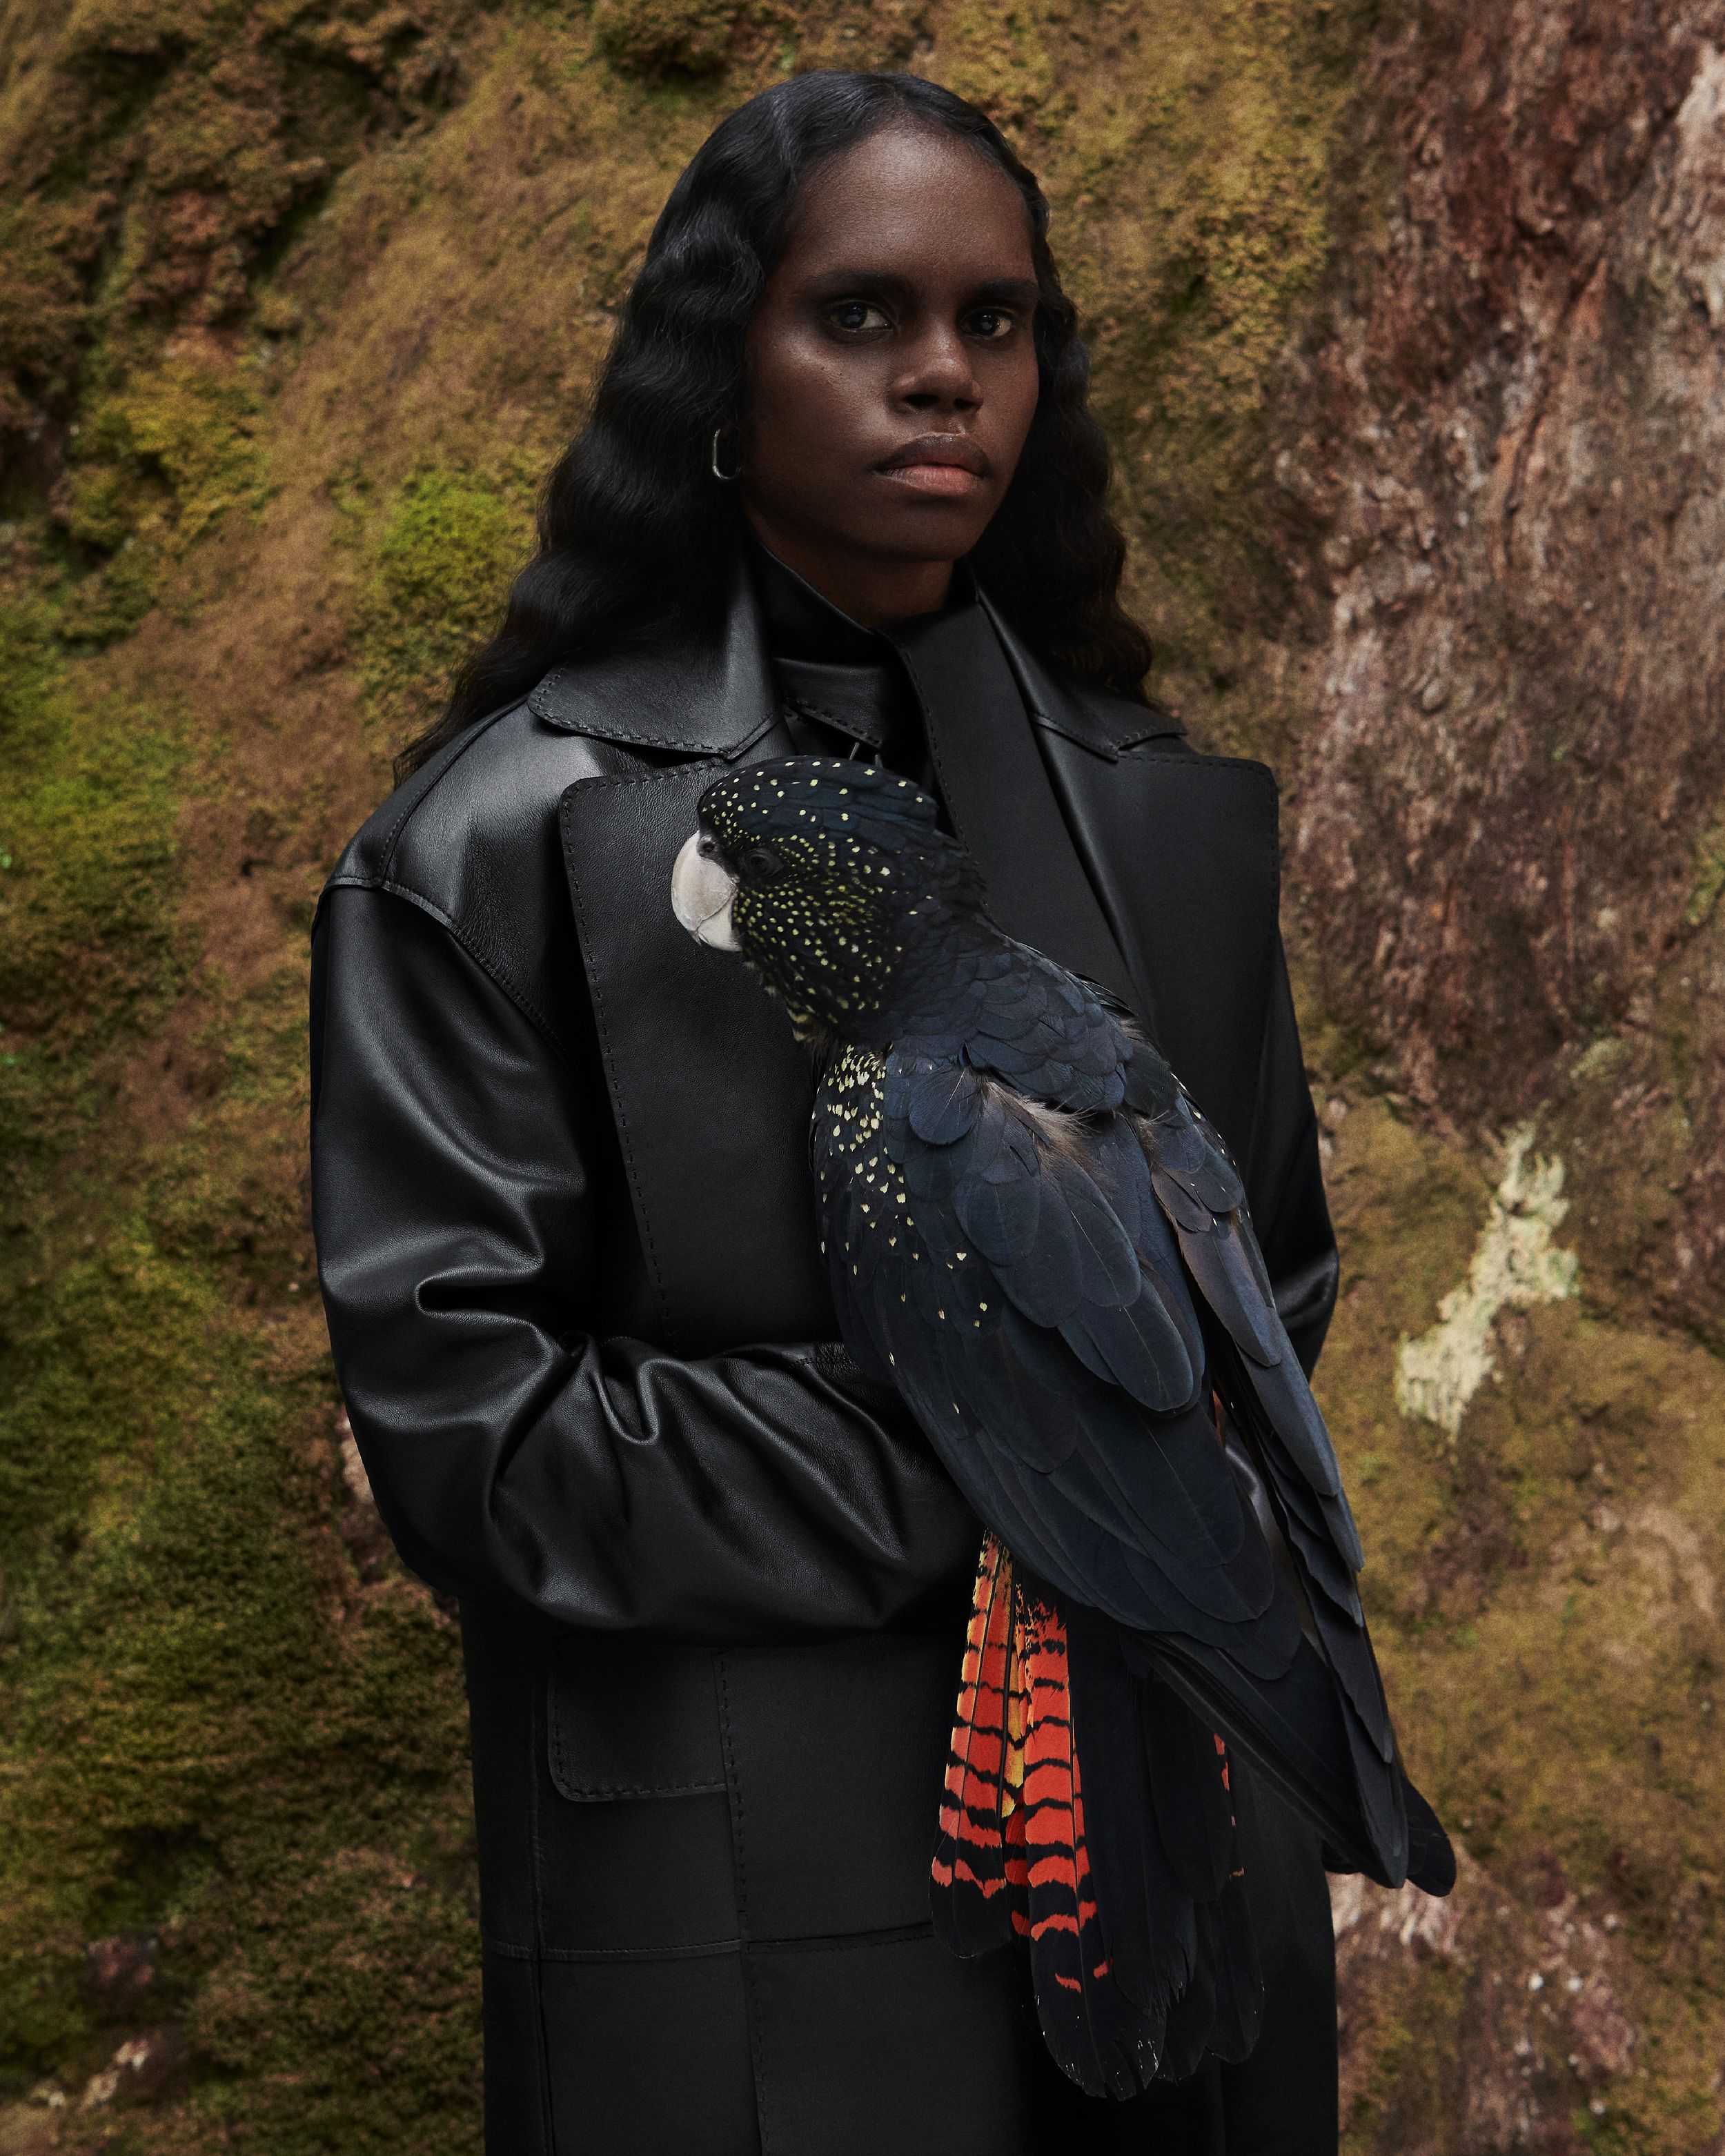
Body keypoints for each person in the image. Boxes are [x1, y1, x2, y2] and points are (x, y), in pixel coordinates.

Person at [309, 68, 1343, 2156]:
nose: (941, 377)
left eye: (996, 323)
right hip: (729, 1908)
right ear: (722, 361)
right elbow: (474, 1442)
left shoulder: (1174, 829)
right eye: (860, 317)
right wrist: (1028, 1460)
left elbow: (1275, 1299)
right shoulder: (486, 846)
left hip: (1163, 1857)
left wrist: (1095, 1471)